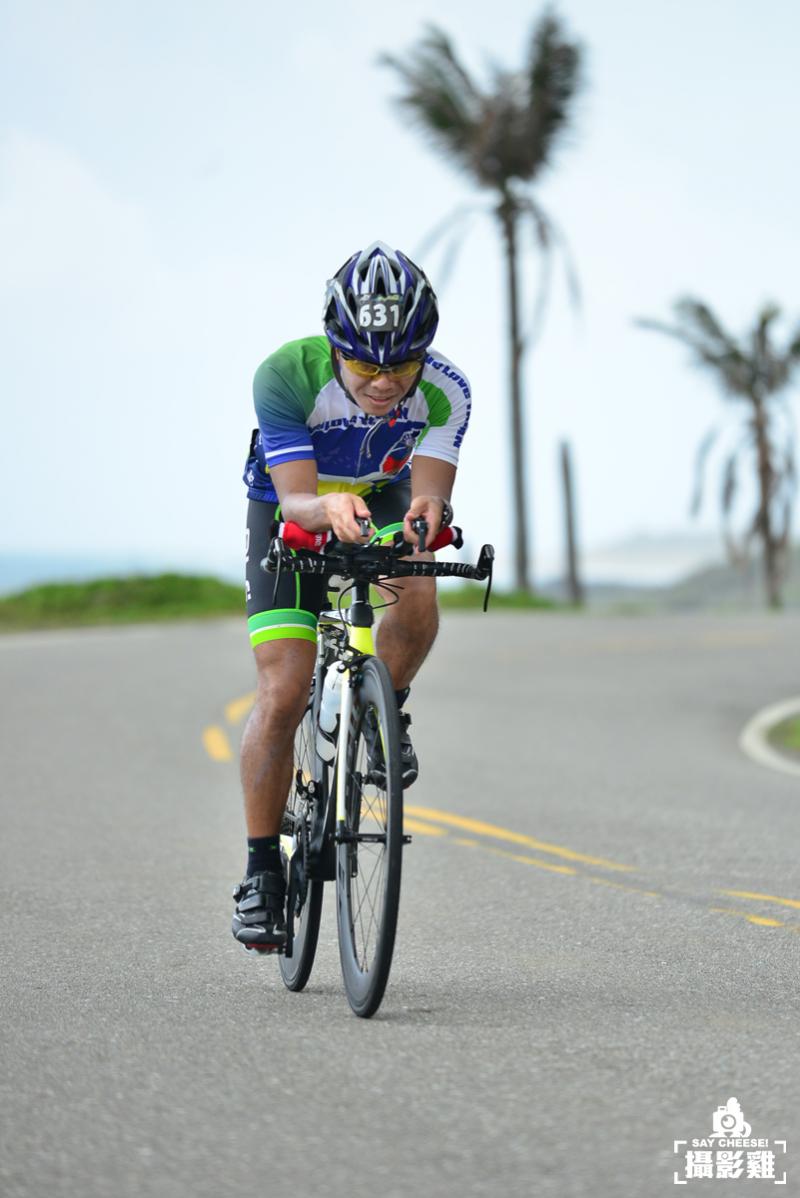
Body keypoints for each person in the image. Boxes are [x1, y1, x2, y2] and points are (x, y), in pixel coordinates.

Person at [232, 241, 471, 952]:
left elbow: (430, 490)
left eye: (402, 365)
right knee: (283, 689)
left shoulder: (448, 389)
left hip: (382, 494)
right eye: (366, 366)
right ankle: (261, 872)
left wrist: (428, 512)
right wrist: (326, 507)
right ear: (336, 347)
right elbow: (297, 500)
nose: (385, 382)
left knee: (418, 579)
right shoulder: (286, 374)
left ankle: (382, 708)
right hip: (292, 507)